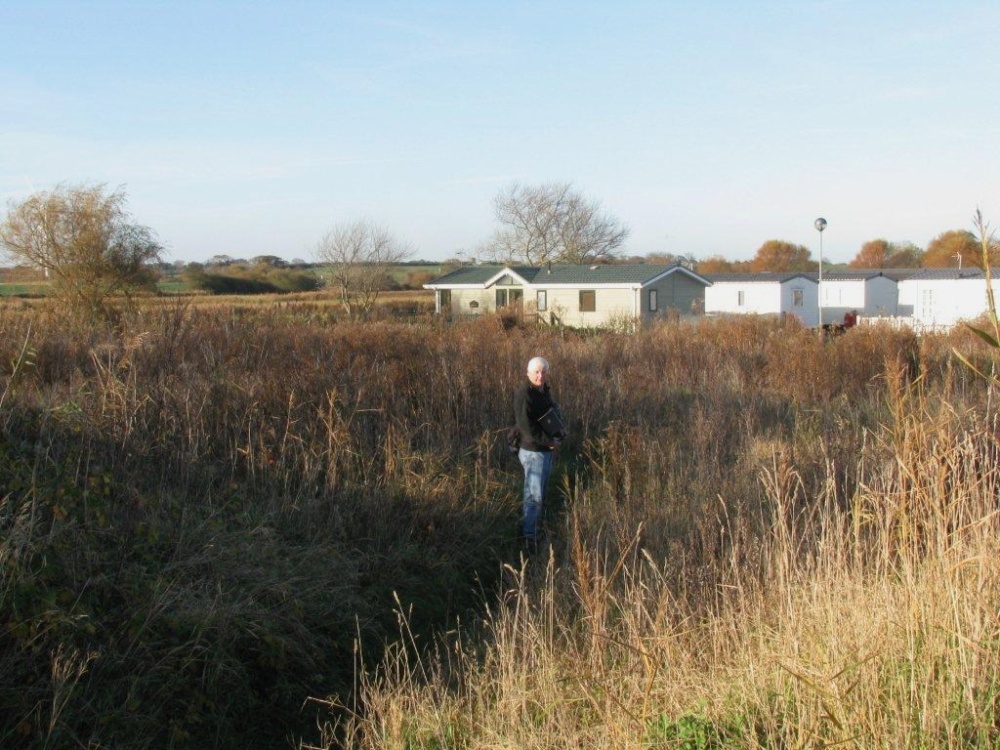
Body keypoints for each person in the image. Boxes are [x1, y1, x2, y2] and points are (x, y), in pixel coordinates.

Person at [513, 356, 565, 552]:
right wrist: (548, 442)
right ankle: (530, 538)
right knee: (534, 497)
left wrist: (559, 431)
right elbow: (526, 428)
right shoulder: (524, 394)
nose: (540, 375)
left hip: (544, 451)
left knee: (536, 495)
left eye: (543, 371)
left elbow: (550, 415)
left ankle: (532, 529)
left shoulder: (543, 390)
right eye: (536, 371)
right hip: (533, 452)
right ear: (528, 373)